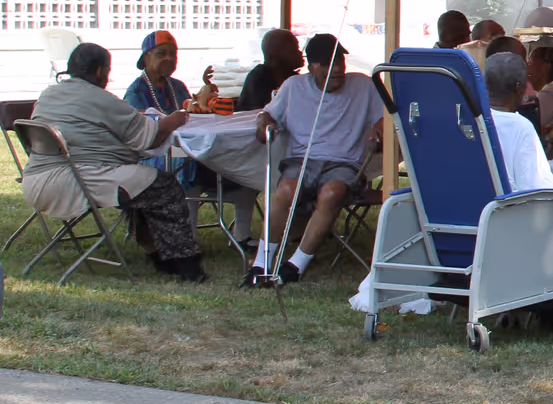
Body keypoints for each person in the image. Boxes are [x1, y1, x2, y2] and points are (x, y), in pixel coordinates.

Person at [24, 43, 203, 281]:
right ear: (100, 71)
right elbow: (149, 138)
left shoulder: (48, 94)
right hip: (76, 180)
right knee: (164, 186)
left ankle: (155, 252)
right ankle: (186, 265)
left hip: (36, 181)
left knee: (140, 181)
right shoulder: (101, 99)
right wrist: (174, 120)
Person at [248, 34, 385, 286]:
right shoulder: (293, 86)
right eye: (327, 65)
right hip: (303, 158)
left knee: (331, 193)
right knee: (286, 189)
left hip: (344, 163)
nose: (337, 71)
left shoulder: (363, 85)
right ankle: (261, 263)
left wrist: (378, 128)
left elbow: (384, 117)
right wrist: (264, 123)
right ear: (311, 67)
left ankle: (296, 264)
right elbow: (266, 114)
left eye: (340, 63)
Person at [484, 52, 553, 192]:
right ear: (520, 88)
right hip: (506, 211)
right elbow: (537, 188)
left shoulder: (468, 119)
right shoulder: (521, 126)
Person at [124, 29, 217, 114]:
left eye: (173, 54)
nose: (169, 58)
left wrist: (207, 88)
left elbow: (192, 112)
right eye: (161, 54)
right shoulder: (136, 91)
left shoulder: (178, 86)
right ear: (146, 58)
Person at [238, 29, 305, 111]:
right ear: (276, 52)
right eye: (295, 48)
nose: (300, 53)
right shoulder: (259, 78)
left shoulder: (294, 78)